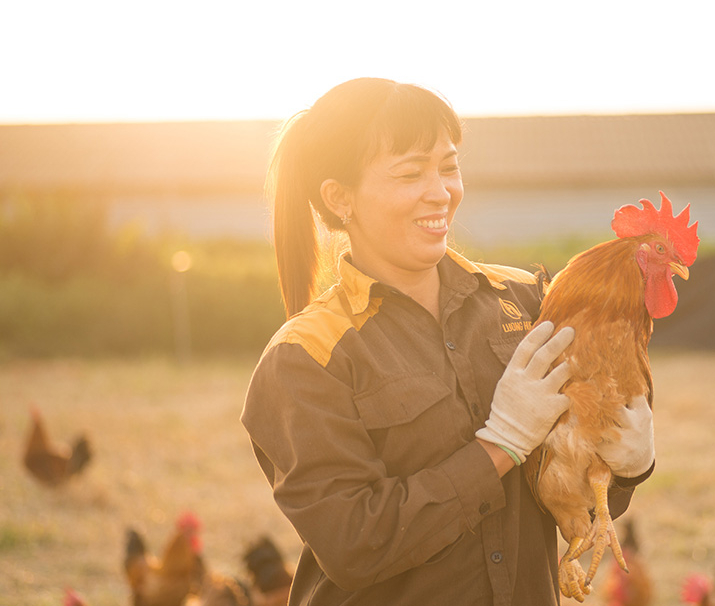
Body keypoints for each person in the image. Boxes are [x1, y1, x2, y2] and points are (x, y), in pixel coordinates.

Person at [241, 77, 655, 605]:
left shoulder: (530, 300)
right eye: (411, 172)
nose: (440, 191)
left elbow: (573, 493)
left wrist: (624, 464)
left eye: (449, 165)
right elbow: (355, 546)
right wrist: (499, 445)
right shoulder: (305, 358)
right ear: (339, 197)